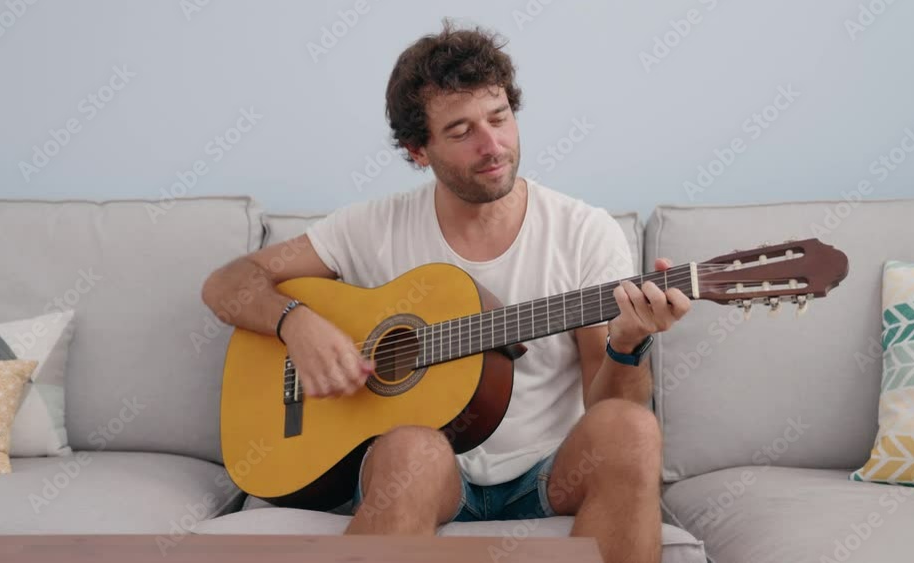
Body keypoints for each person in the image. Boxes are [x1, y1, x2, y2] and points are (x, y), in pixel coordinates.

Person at [201, 20, 690, 563]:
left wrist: (629, 343)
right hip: (430, 472)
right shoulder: (371, 226)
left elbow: (607, 406)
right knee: (412, 447)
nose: (493, 145)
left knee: (631, 428)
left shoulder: (583, 231)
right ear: (418, 151)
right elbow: (227, 283)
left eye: (500, 119)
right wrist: (297, 323)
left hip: (548, 470)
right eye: (461, 132)